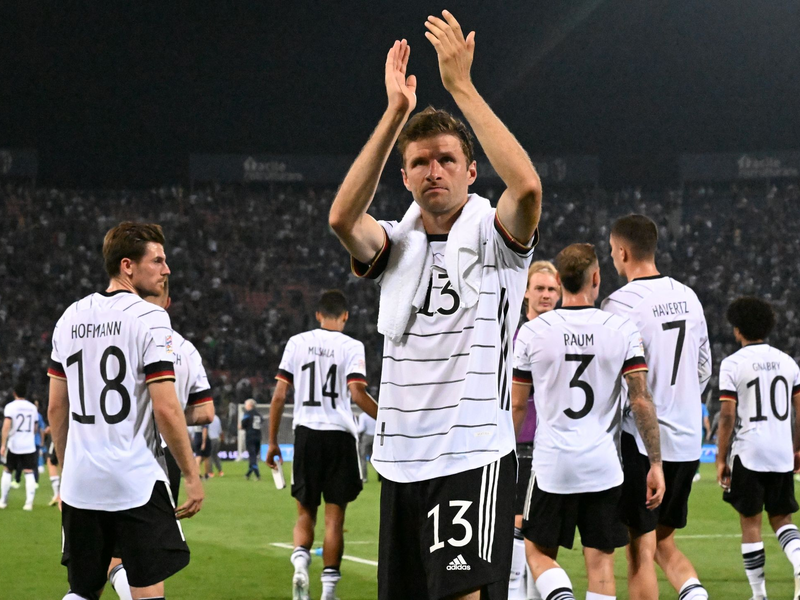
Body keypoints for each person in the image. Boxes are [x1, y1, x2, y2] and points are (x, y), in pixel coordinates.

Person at [328, 11, 542, 600]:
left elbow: (526, 189)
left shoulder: (497, 241)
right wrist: (395, 112)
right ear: (405, 176)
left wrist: (462, 88)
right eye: (420, 162)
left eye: (447, 159)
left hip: (471, 454)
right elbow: (343, 218)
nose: (434, 171)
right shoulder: (397, 246)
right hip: (400, 463)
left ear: (472, 171)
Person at [47, 221, 203, 600]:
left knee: (83, 590)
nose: (166, 270)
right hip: (134, 481)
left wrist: (69, 471)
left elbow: (56, 407)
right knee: (146, 588)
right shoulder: (151, 318)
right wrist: (192, 475)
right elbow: (166, 409)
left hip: (82, 483)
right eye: (158, 261)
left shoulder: (69, 317)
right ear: (128, 266)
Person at [513, 243, 664, 600]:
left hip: (552, 465)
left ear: (560, 283)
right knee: (601, 565)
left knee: (536, 552)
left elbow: (518, 405)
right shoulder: (622, 329)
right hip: (603, 466)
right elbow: (640, 399)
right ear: (596, 278)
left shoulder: (534, 332)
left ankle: (560, 595)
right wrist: (654, 462)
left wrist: (506, 456)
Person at [601, 214, 712, 600]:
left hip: (646, 446)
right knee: (665, 544)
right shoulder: (688, 296)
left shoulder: (619, 304)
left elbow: (618, 381)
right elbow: (703, 369)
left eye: (613, 252)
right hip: (688, 442)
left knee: (639, 553)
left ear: (623, 251)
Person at [107, 276, 215, 600]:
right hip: (167, 455)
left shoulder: (114, 335)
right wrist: (176, 414)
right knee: (149, 561)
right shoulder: (186, 349)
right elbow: (207, 412)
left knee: (110, 557)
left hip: (120, 448)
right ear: (167, 303)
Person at [267, 290, 378, 600]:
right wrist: (386, 419)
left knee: (305, 513)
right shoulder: (352, 346)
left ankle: (301, 563)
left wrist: (273, 442)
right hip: (340, 435)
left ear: (318, 315)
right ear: (345, 316)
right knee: (334, 519)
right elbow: (357, 393)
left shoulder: (297, 343)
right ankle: (329, 592)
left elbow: (279, 396)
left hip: (307, 433)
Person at [716, 297, 800, 600]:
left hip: (749, 452)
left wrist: (721, 459)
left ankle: (759, 594)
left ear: (738, 330)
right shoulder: (788, 362)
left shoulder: (733, 363)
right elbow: (799, 410)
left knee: (750, 524)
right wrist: (797, 448)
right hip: (780, 453)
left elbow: (727, 415)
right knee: (782, 520)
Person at [509, 260, 560, 600]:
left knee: (542, 540)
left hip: (553, 447)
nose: (545, 295)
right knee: (517, 526)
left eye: (551, 289)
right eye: (539, 288)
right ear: (525, 291)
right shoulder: (511, 334)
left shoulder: (564, 333)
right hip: (520, 444)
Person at [1, 381, 39, 510]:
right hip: (29, 444)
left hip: (14, 443)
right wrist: (29, 437)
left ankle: (3, 500)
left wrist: (3, 444)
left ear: (14, 393)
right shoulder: (32, 407)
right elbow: (35, 427)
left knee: (8, 470)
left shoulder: (10, 407)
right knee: (29, 471)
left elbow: (6, 426)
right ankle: (28, 503)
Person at [241, 399, 262, 481]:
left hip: (250, 437)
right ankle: (248, 474)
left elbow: (243, 424)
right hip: (258, 437)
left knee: (252, 456)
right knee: (254, 456)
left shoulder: (248, 414)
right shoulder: (258, 414)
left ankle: (257, 475)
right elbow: (261, 422)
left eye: (246, 404)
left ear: (249, 405)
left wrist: (242, 426)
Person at [357, 410, 376, 483]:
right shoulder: (375, 413)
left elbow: (361, 428)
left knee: (363, 458)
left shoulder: (363, 416)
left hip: (366, 437)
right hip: (375, 437)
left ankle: (364, 477)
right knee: (376, 457)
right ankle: (380, 477)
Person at [206, 412, 224, 477]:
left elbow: (205, 430)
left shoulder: (208, 418)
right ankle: (220, 471)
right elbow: (220, 430)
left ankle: (210, 472)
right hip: (217, 439)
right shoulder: (217, 418)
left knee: (209, 455)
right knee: (215, 455)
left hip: (211, 439)